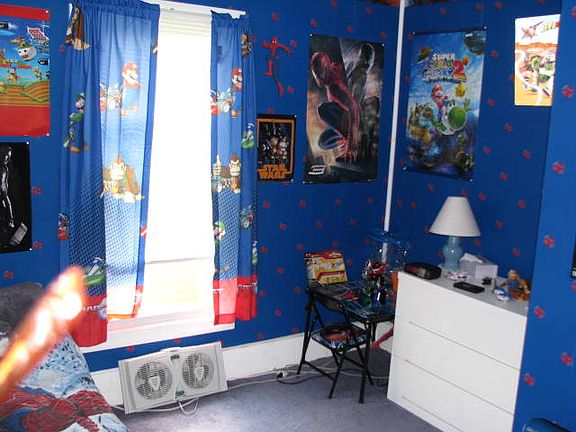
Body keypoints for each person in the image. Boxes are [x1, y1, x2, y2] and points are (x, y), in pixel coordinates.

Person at [0, 146, 15, 245]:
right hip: (1, 194)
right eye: (5, 155)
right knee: (5, 209)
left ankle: (4, 238)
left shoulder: (5, 167)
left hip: (4, 193)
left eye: (8, 156)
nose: (7, 158)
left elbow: (5, 182)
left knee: (6, 209)